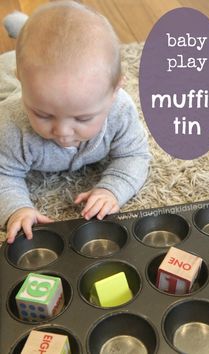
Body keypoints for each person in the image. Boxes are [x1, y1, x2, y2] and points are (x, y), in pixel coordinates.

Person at [0, 0, 150, 244]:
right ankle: (22, 36)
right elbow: (3, 174)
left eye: (82, 118)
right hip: (6, 75)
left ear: (113, 92)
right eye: (43, 114)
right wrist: (17, 208)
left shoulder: (120, 110)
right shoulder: (10, 124)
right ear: (24, 86)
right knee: (18, 56)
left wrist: (112, 189)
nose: (63, 132)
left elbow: (135, 156)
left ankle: (24, 29)